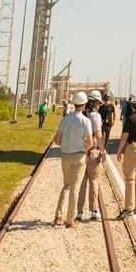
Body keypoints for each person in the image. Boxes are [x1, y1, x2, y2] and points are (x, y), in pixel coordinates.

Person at [52, 91, 93, 228]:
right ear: (84, 104)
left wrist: (67, 145)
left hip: (65, 156)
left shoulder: (65, 120)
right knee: (75, 188)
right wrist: (83, 149)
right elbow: (90, 142)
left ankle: (59, 215)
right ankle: (70, 220)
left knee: (66, 185)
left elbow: (57, 141)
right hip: (79, 156)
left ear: (74, 104)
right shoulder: (85, 121)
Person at [76, 91, 104, 222]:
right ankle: (93, 211)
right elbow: (98, 134)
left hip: (81, 151)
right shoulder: (95, 116)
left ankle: (79, 211)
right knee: (94, 180)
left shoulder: (81, 115)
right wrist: (103, 151)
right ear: (97, 103)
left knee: (82, 182)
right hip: (93, 151)